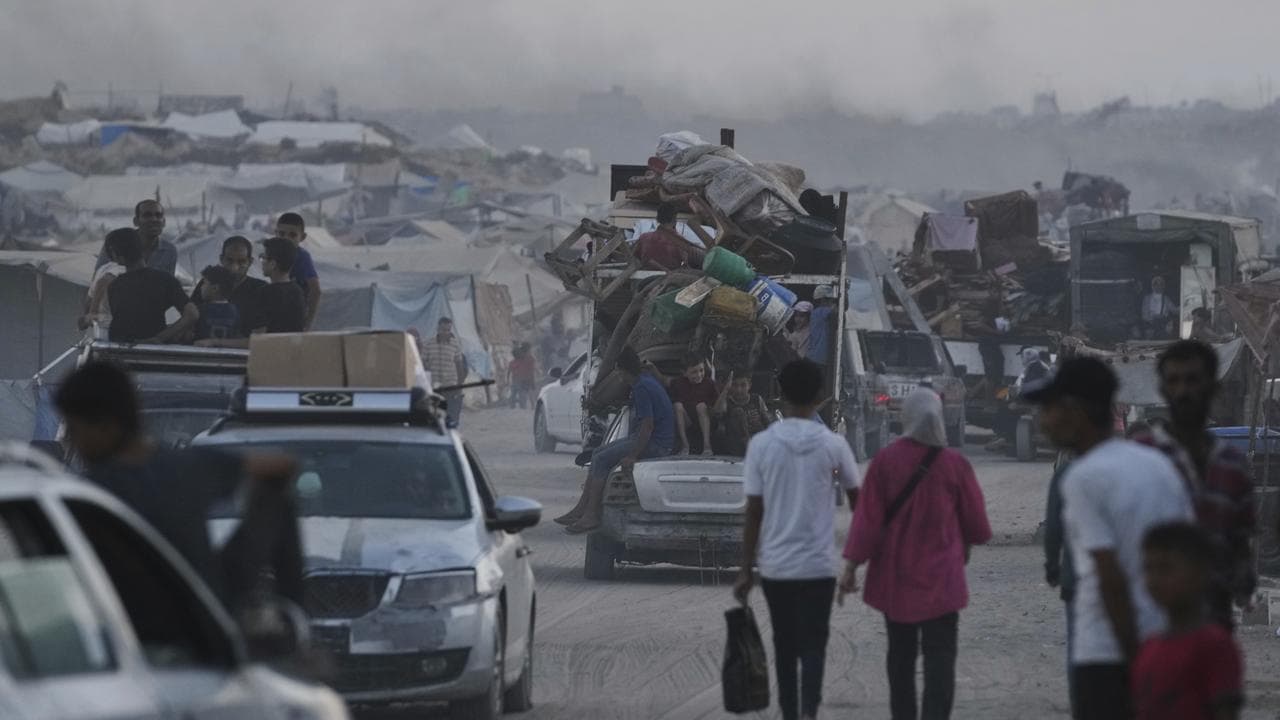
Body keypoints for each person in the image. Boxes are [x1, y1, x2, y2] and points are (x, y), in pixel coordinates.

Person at [55, 361, 303, 614]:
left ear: (106, 426)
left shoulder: (95, 493)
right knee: (275, 498)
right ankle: (296, 616)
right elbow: (281, 467)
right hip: (210, 612)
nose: (71, 441)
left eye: (74, 429)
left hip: (143, 626)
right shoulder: (187, 466)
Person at [1025, 357, 1193, 720]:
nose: (1043, 421)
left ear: (1076, 412)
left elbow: (1109, 578)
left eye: (1050, 409)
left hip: (1108, 652)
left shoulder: (1084, 477)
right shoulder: (1159, 467)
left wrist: (1136, 660)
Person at [840, 387, 992, 720]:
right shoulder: (956, 464)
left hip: (897, 581)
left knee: (901, 659)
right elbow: (979, 528)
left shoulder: (885, 462)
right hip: (944, 583)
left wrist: (851, 567)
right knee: (941, 659)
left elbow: (867, 522)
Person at [733, 359, 860, 720]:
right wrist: (853, 559)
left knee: (785, 646)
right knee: (815, 644)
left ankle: (790, 713)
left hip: (777, 567)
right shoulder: (834, 445)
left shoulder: (761, 445)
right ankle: (810, 711)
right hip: (819, 566)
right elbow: (859, 504)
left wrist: (745, 569)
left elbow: (753, 513)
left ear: (779, 395)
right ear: (820, 397)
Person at [1135, 340, 1256, 630]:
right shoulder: (1141, 456)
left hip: (1213, 621)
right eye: (1173, 381)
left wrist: (1243, 580)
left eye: (1193, 380)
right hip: (1152, 623)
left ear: (1213, 388)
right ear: (1163, 390)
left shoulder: (1233, 464)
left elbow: (1241, 540)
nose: (1183, 391)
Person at [557, 346, 674, 534]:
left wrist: (633, 455)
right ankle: (582, 509)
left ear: (623, 370)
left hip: (657, 445)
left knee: (601, 459)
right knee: (597, 453)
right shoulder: (644, 382)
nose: (617, 374)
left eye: (618, 370)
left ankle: (591, 515)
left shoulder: (642, 387)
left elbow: (647, 426)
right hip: (652, 439)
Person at [1132, 522, 1244, 720]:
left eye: (1166, 568)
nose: (1155, 579)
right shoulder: (1149, 647)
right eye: (1149, 568)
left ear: (1201, 573)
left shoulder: (1214, 646)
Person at [103, 227, 198, 344]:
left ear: (115, 255)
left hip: (120, 349)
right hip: (152, 350)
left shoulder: (114, 286)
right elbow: (192, 314)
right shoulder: (165, 279)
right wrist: (161, 337)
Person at [1043, 450, 1078, 717]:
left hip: (1076, 576)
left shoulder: (1065, 474)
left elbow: (1053, 527)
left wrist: (1053, 566)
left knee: (1077, 639)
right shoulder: (1128, 466)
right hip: (1118, 577)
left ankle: (1078, 700)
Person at [191, 236, 266, 329]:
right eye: (229, 261)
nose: (234, 267)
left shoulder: (261, 288)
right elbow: (191, 316)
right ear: (221, 259)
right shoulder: (208, 283)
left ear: (250, 262)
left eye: (241, 262)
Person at [95, 199, 177, 275]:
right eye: (147, 215)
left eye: (158, 215)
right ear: (136, 221)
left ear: (164, 222)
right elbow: (99, 276)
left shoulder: (170, 251)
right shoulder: (117, 244)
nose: (154, 219)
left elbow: (168, 284)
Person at [275, 212, 322, 331]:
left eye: (292, 235)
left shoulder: (302, 257)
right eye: (282, 234)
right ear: (276, 234)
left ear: (302, 237)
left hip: (295, 316)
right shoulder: (273, 254)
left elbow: (315, 290)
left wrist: (309, 322)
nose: (286, 238)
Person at [421, 317, 469, 428]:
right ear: (438, 328)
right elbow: (422, 364)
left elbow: (459, 365)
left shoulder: (455, 344)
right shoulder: (428, 344)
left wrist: (459, 385)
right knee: (433, 416)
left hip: (451, 387)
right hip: (433, 388)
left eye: (448, 330)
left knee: (452, 417)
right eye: (443, 330)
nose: (446, 333)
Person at [713, 370, 773, 457]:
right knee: (738, 412)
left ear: (749, 385)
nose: (739, 389)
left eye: (743, 385)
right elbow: (717, 412)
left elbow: (767, 420)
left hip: (757, 441)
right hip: (738, 445)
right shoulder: (727, 401)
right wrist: (726, 389)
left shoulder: (756, 399)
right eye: (735, 385)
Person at [633, 201, 705, 271]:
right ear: (674, 219)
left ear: (658, 219)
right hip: (670, 279)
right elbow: (686, 263)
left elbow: (635, 257)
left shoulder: (644, 238)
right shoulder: (680, 243)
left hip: (645, 278)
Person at [670, 355, 718, 455]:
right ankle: (685, 445)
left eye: (701, 370)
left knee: (701, 406)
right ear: (684, 373)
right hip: (689, 421)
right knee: (677, 405)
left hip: (706, 420)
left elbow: (717, 408)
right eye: (694, 372)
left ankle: (707, 446)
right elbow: (664, 380)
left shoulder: (709, 383)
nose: (699, 375)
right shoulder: (678, 383)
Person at [194, 265, 242, 342]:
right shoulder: (235, 311)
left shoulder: (200, 310)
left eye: (204, 283)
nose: (201, 287)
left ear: (215, 288)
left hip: (202, 351)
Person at [806, 286, 837, 369]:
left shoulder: (814, 313)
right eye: (831, 300)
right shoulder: (824, 311)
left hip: (811, 356)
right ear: (823, 300)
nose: (832, 302)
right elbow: (836, 313)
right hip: (820, 358)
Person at [507, 342, 538, 410]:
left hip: (523, 378)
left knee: (524, 392)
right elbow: (533, 367)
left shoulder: (522, 357)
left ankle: (526, 405)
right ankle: (531, 405)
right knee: (528, 391)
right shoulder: (528, 357)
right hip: (527, 377)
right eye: (530, 349)